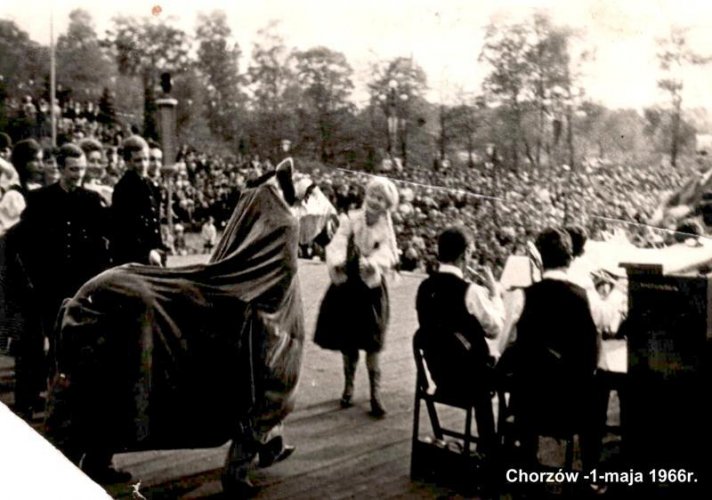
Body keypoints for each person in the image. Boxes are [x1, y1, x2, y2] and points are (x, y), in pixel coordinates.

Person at [500, 227, 600, 473]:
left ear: (540, 259)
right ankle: (591, 473)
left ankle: (524, 461)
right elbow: (593, 353)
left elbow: (503, 347)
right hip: (570, 406)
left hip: (529, 404)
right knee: (596, 395)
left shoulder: (522, 296)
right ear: (570, 259)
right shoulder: (585, 296)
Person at [17, 143, 111, 376]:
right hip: (49, 285)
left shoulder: (91, 200)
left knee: (79, 340)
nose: (78, 175)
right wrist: (36, 277)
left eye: (82, 169)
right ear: (60, 169)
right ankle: (54, 384)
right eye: (73, 169)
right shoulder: (39, 200)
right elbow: (25, 244)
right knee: (54, 337)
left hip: (81, 285)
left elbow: (100, 244)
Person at [414, 226, 505, 456]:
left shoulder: (424, 287)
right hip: (471, 382)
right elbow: (495, 329)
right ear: (466, 255)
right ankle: (491, 445)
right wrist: (495, 294)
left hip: (439, 376)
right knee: (503, 372)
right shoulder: (471, 292)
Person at [314, 176, 400, 418]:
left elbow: (389, 252)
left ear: (387, 205)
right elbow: (338, 241)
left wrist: (374, 263)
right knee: (348, 340)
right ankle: (349, 386)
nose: (374, 201)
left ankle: (375, 393)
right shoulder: (351, 218)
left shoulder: (386, 227)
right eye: (372, 195)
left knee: (373, 342)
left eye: (381, 199)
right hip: (349, 285)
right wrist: (339, 261)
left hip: (371, 288)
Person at [111, 135, 165, 266]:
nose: (143, 165)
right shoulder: (123, 189)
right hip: (133, 258)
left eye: (146, 159)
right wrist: (146, 252)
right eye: (138, 160)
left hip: (154, 256)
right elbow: (123, 230)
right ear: (127, 162)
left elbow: (155, 225)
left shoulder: (151, 186)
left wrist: (159, 250)